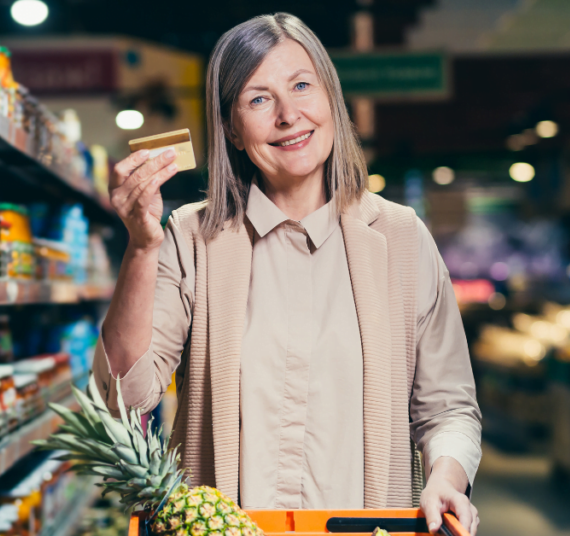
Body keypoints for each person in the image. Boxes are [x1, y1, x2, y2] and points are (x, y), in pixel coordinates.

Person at [93, 13, 482, 535]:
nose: (288, 115)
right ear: (230, 127)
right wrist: (142, 247)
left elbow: (449, 408)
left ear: (332, 99)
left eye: (302, 86)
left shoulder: (401, 239)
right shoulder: (190, 237)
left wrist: (446, 476)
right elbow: (123, 397)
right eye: (258, 99)